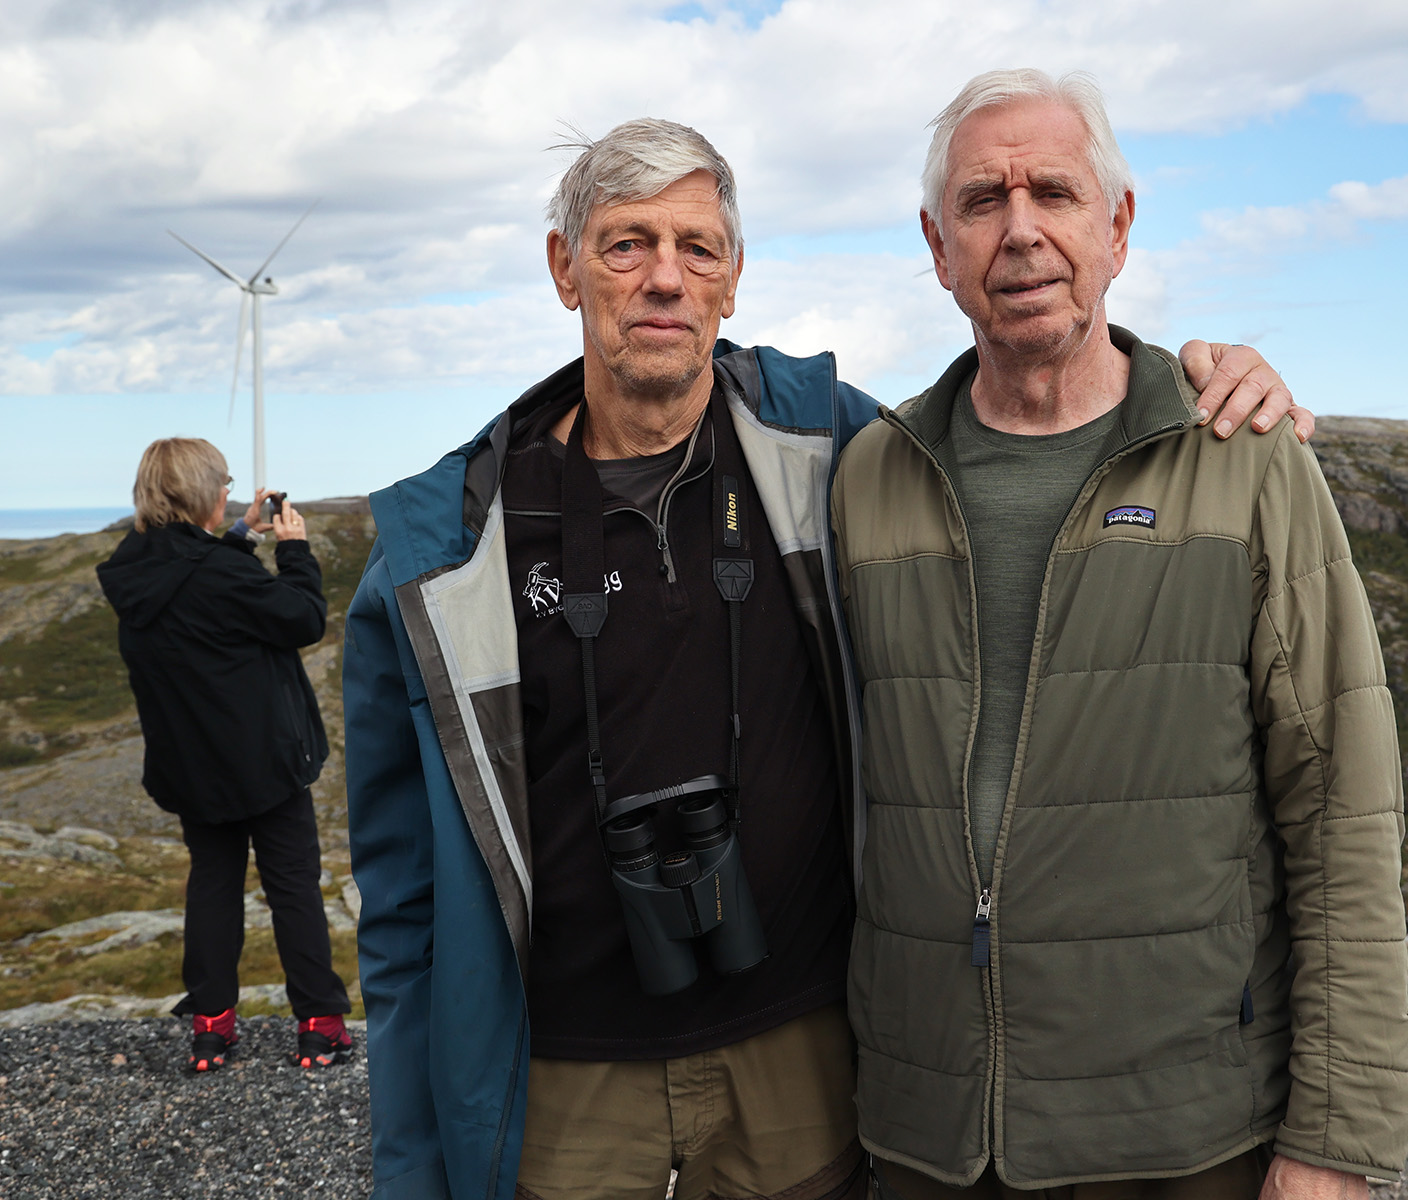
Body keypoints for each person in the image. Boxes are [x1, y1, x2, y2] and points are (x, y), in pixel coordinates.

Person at [342, 117, 1308, 1200]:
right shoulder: (448, 554)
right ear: (564, 268)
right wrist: (414, 1162)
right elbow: (403, 905)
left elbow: (1029, 411)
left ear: (735, 279)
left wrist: (1195, 378)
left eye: (698, 248)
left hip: (800, 1053)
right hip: (565, 1075)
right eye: (626, 244)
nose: (666, 278)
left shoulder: (832, 451)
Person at [829, 69, 1408, 1199]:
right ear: (937, 244)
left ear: (1119, 226)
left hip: (1182, 1136)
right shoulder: (871, 476)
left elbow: (1344, 804)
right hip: (926, 1136)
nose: (1021, 231)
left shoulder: (1244, 460)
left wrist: (1336, 1139)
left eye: (1054, 191)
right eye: (981, 202)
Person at [95, 438, 353, 1073]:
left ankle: (212, 1027)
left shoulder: (132, 568)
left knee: (212, 886)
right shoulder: (219, 572)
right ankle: (319, 1026)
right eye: (224, 484)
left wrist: (239, 534)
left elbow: (194, 581)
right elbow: (301, 619)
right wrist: (292, 551)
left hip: (191, 766)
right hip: (263, 763)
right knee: (292, 886)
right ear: (199, 491)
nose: (228, 493)